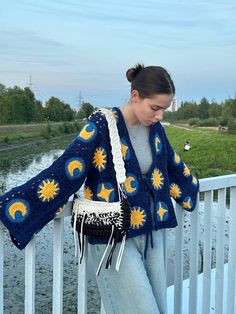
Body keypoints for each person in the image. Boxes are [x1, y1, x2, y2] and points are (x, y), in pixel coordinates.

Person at [0, 63, 199, 314]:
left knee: (158, 304)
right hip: (113, 237)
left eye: (164, 109)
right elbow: (66, 171)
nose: (160, 116)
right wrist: (12, 205)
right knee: (141, 309)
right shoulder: (102, 125)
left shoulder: (156, 130)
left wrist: (191, 189)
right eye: (155, 108)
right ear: (135, 96)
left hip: (152, 234)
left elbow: (172, 167)